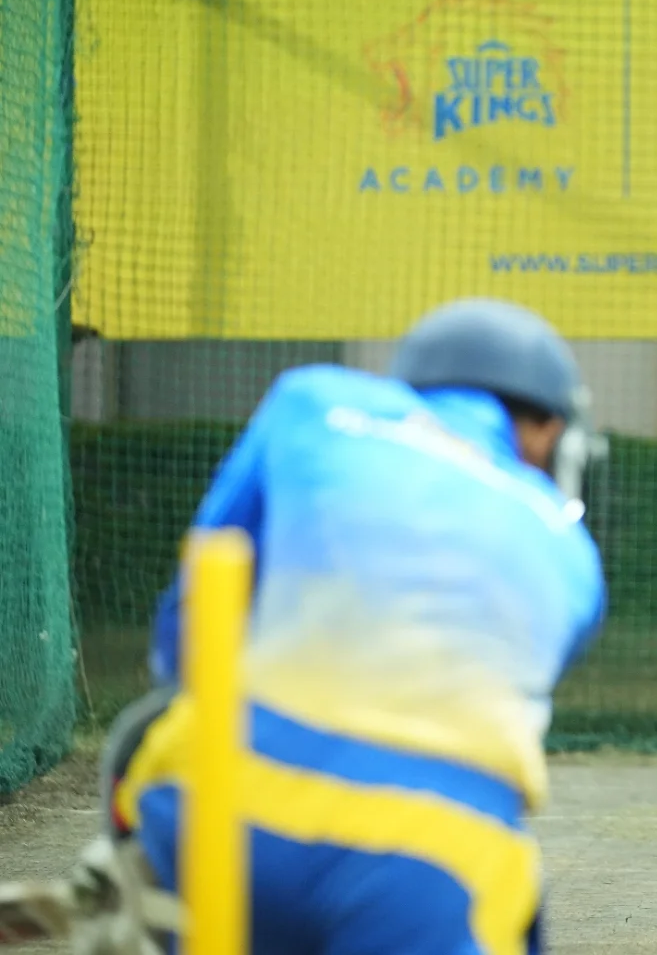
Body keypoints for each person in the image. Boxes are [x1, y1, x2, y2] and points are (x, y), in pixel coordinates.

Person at [102, 297, 606, 954]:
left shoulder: (311, 403)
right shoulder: (572, 552)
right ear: (544, 427)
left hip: (222, 804)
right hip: (436, 861)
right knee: (507, 885)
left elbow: (193, 612)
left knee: (146, 739)